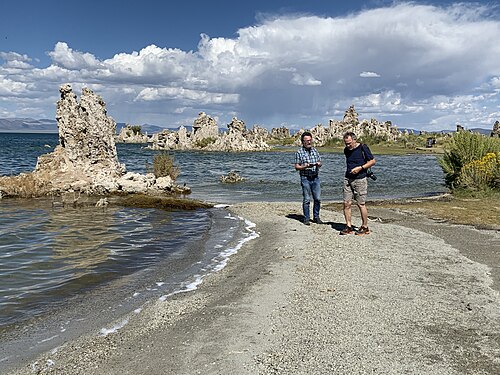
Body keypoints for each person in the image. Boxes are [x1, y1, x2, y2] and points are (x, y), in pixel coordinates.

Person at [340, 131, 376, 235]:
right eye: (346, 143)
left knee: (361, 204)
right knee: (346, 203)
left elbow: (372, 161)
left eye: (349, 143)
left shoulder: (363, 147)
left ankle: (365, 227)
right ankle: (348, 226)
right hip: (348, 179)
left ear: (354, 140)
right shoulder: (346, 150)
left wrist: (360, 168)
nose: (347, 145)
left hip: (360, 179)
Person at [294, 131, 322, 225]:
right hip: (305, 178)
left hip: (315, 177)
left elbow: (320, 162)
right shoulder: (299, 152)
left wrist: (318, 164)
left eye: (310, 140)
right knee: (306, 199)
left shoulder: (315, 150)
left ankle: (316, 217)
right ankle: (306, 218)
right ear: (303, 142)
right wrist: (304, 166)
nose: (309, 142)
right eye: (307, 141)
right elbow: (297, 167)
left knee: (317, 198)